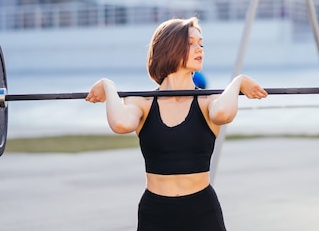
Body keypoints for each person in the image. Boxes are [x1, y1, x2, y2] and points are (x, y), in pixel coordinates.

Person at [85, 17, 268, 231]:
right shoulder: (141, 102)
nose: (199, 48)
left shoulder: (207, 101)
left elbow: (223, 113)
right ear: (170, 46)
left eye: (201, 43)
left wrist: (239, 81)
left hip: (202, 212)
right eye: (191, 43)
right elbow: (120, 124)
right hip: (155, 213)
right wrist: (108, 85)